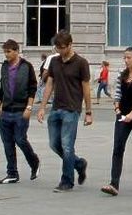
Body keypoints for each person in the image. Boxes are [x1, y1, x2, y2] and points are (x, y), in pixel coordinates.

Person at [36, 30, 93, 192]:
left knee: (67, 146)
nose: (60, 51)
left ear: (70, 45)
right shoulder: (54, 62)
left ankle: (67, 181)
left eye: (63, 48)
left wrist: (88, 111)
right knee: (54, 144)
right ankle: (79, 163)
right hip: (56, 108)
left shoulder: (81, 63)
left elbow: (86, 88)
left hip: (72, 109)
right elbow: (49, 84)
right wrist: (42, 107)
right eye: (57, 48)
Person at [102, 46, 132, 196]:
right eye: (124, 57)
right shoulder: (121, 75)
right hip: (122, 116)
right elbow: (117, 94)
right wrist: (117, 109)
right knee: (118, 147)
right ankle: (114, 183)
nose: (126, 60)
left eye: (129, 57)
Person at [0, 39, 40, 184]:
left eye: (8, 52)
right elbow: (3, 87)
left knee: (20, 139)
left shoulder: (26, 66)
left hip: (21, 110)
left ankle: (34, 161)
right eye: (5, 52)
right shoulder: (4, 66)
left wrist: (29, 107)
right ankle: (12, 173)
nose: (6, 55)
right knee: (7, 143)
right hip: (6, 110)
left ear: (16, 51)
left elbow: (33, 87)